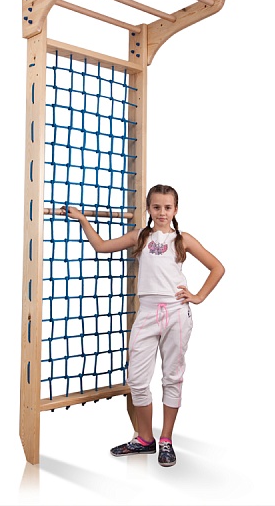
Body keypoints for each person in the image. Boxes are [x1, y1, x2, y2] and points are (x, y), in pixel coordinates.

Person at [61, 184, 225, 467]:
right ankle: (145, 439)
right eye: (156, 207)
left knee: (172, 377)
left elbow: (217, 267)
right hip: (147, 314)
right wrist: (83, 220)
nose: (162, 212)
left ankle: (166, 440)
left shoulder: (182, 239)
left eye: (167, 207)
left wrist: (198, 296)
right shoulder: (140, 237)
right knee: (137, 380)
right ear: (148, 208)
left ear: (175, 210)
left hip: (176, 313)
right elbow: (101, 246)